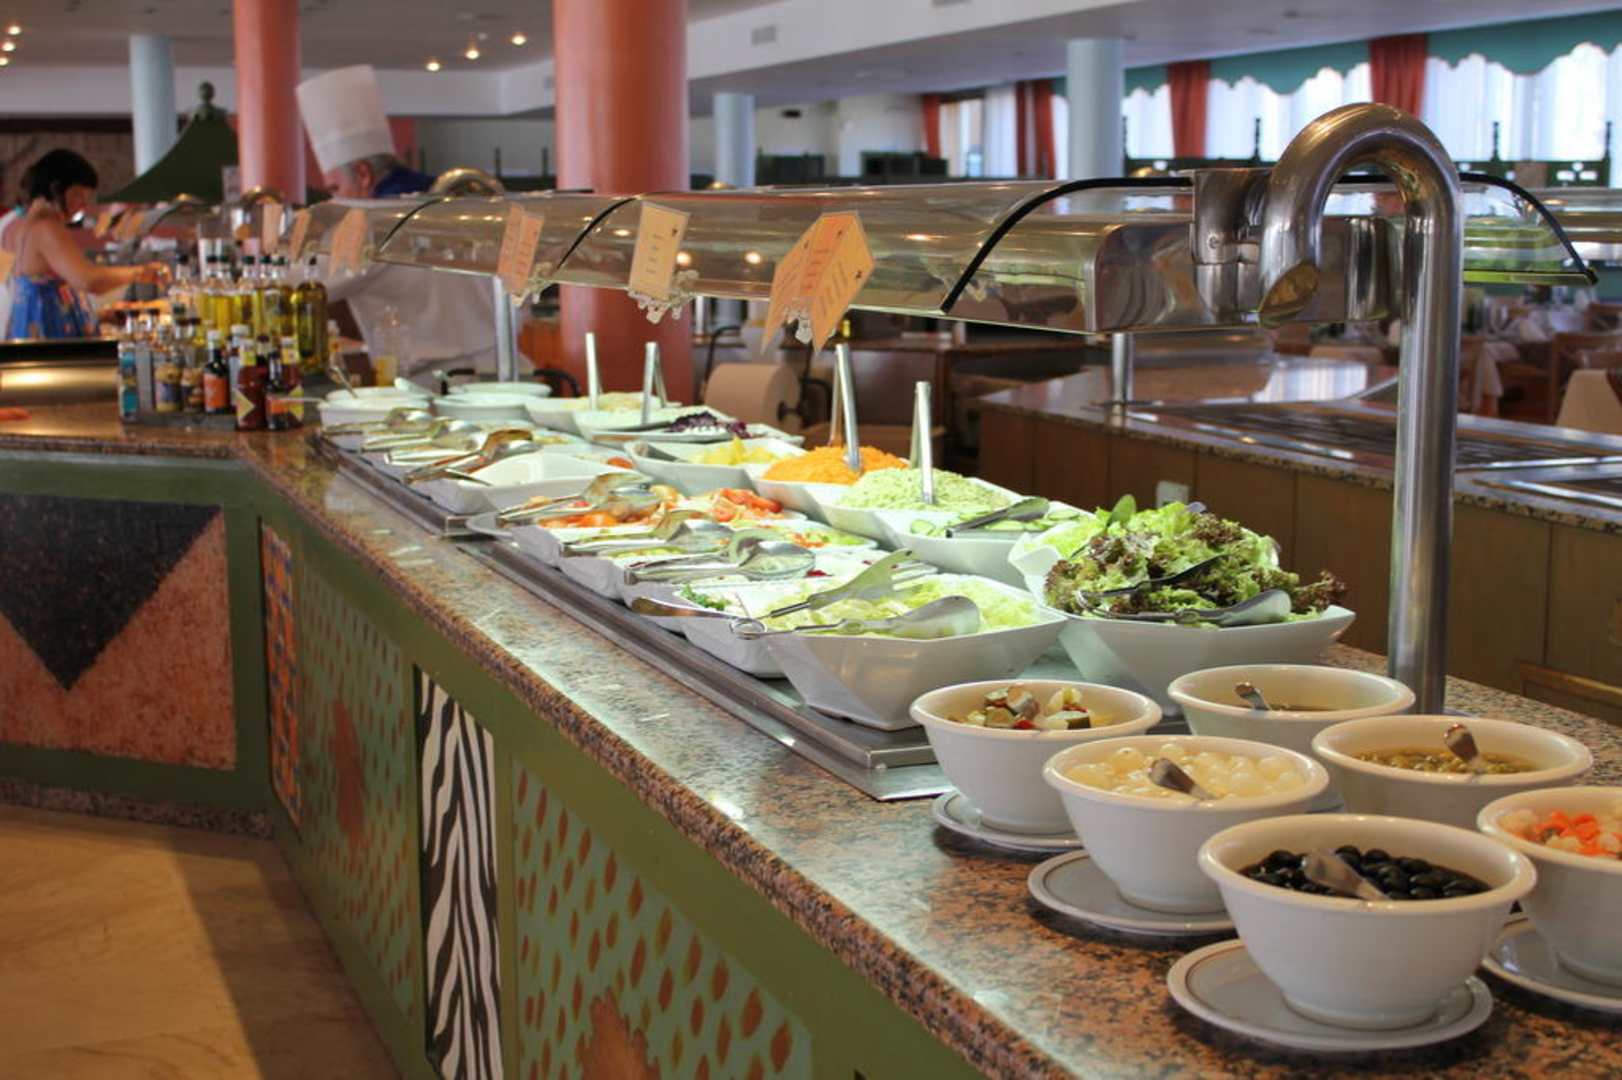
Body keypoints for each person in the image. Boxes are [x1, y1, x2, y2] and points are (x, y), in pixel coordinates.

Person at [297, 65, 495, 379]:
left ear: (363, 174)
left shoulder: (374, 223)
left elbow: (299, 284)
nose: (336, 201)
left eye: (335, 189)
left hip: (442, 381)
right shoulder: (447, 201)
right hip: (499, 363)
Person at [6, 150, 165, 339]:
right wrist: (140, 272)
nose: (82, 205)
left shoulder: (29, 224)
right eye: (77, 195)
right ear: (56, 189)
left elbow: (53, 293)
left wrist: (99, 317)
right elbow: (89, 280)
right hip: (49, 343)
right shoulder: (46, 227)